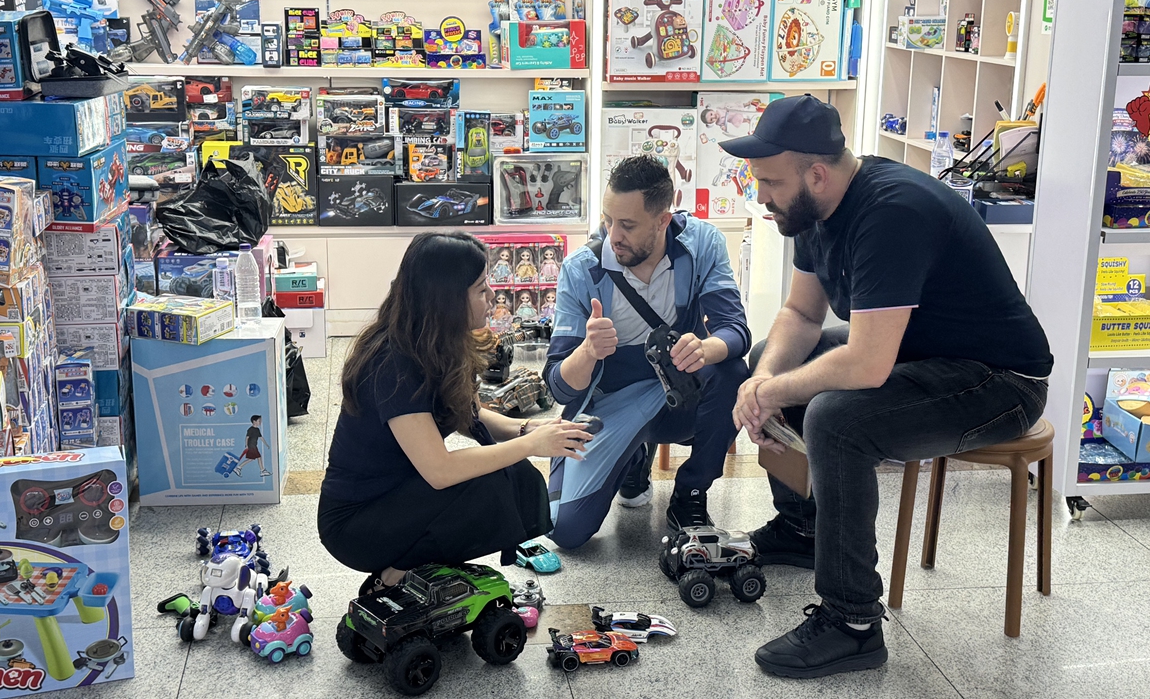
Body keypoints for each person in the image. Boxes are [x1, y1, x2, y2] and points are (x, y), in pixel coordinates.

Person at [723, 95, 1053, 679]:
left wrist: (775, 394)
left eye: (770, 182)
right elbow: (801, 315)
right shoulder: (814, 211)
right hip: (923, 361)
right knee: (769, 362)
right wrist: (765, 379)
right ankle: (804, 527)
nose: (762, 197)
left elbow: (868, 365)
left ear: (816, 173)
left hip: (999, 382)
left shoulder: (892, 212)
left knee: (834, 418)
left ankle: (852, 624)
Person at [317, 232, 592, 592]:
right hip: (357, 524)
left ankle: (415, 563)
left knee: (513, 475)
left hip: (399, 494)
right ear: (446, 299)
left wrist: (530, 429)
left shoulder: (430, 342)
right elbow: (440, 471)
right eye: (480, 289)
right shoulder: (393, 365)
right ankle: (399, 571)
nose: (493, 296)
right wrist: (531, 445)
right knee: (493, 485)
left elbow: (470, 414)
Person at [543, 155, 751, 549]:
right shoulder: (580, 269)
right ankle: (634, 456)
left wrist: (705, 348)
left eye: (627, 224)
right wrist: (587, 352)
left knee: (732, 372)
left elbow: (737, 331)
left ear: (662, 221)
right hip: (609, 401)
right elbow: (559, 388)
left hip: (678, 393)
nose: (612, 235)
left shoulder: (702, 243)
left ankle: (690, 494)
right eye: (607, 220)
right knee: (565, 532)